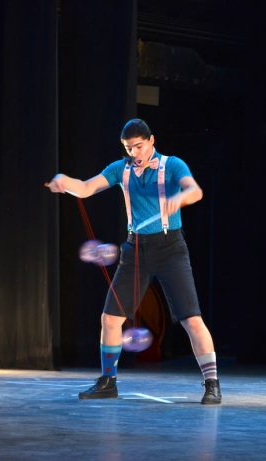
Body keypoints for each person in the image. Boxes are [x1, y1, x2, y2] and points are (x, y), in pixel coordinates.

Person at [46, 118, 221, 404]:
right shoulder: (121, 169)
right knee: (110, 318)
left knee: (191, 319)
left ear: (151, 141)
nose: (134, 153)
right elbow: (86, 188)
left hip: (170, 248)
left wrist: (178, 200)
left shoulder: (172, 165)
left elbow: (195, 191)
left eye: (139, 146)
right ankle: (108, 381)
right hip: (136, 249)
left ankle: (212, 384)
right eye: (129, 148)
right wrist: (66, 184)